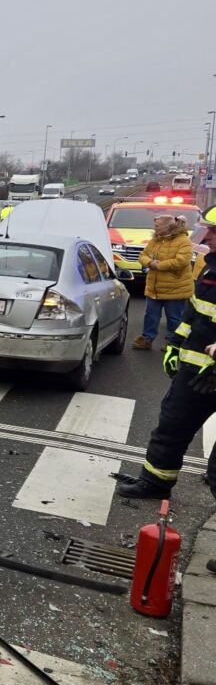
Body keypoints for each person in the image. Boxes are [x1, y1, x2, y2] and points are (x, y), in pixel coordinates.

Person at [118, 206, 216, 500]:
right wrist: (175, 344)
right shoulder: (211, 268)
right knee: (172, 425)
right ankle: (155, 483)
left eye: (214, 232)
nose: (207, 237)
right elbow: (195, 312)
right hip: (195, 372)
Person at [133, 214, 194, 350]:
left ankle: (172, 342)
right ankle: (147, 339)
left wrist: (158, 265)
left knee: (174, 318)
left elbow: (182, 261)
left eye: (157, 226)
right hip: (154, 287)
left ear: (168, 227)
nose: (154, 228)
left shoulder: (184, 241)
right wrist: (150, 262)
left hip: (176, 288)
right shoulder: (155, 240)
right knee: (151, 315)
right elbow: (143, 255)